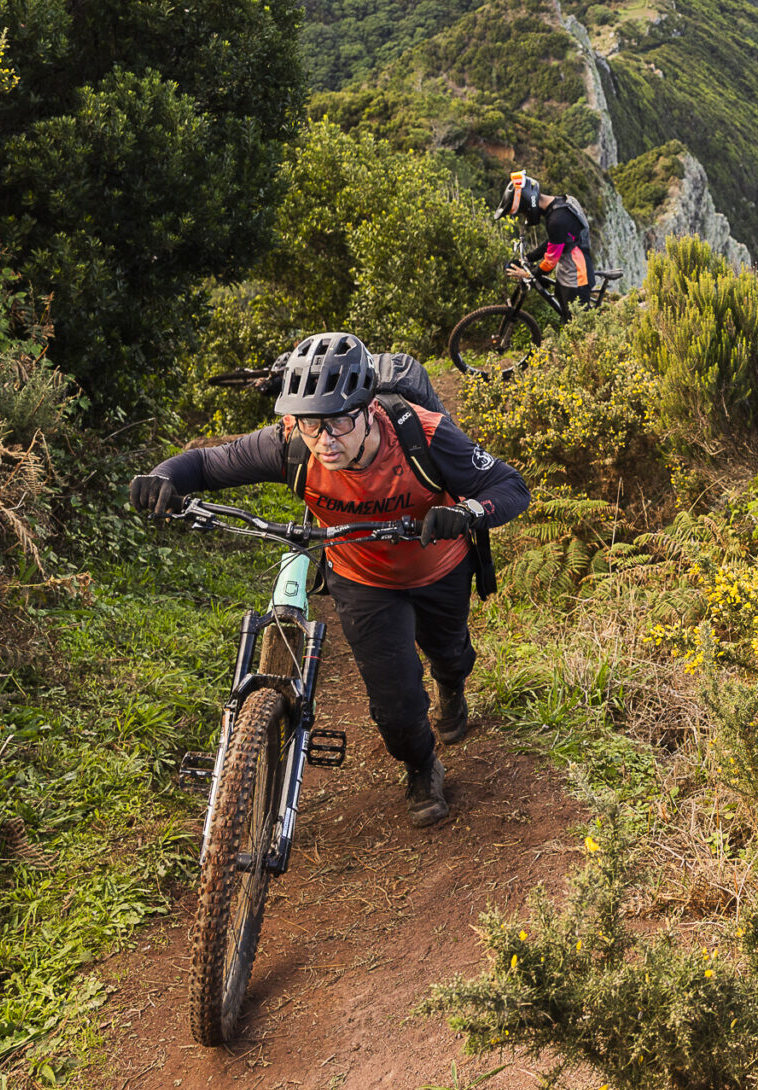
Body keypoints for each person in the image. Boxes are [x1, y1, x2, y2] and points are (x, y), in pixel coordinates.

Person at [128, 333, 528, 826]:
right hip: (362, 579)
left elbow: (509, 485)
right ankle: (422, 767)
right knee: (395, 703)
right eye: (311, 423)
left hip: (438, 569)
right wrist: (164, 477)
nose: (325, 439)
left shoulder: (423, 436)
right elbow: (207, 464)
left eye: (339, 421)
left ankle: (452, 685)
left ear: (369, 409)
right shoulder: (290, 443)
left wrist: (467, 512)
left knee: (449, 652)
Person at [499, 171, 593, 300]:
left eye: (523, 212)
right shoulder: (563, 202)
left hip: (575, 278)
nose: (526, 216)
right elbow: (556, 240)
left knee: (573, 314)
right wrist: (529, 258)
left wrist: (528, 275)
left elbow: (550, 262)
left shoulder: (556, 220)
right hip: (571, 270)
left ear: (528, 204)